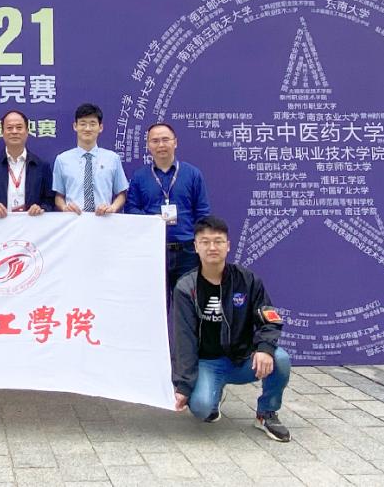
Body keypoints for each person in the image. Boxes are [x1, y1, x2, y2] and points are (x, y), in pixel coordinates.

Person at [171, 216, 292, 442]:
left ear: (228, 246)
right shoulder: (186, 287)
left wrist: (264, 349)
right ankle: (213, 394)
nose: (212, 247)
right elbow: (183, 340)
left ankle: (266, 413)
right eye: (205, 242)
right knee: (201, 408)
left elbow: (270, 319)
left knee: (281, 359)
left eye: (218, 241)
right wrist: (183, 386)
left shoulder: (247, 280)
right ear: (196, 247)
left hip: (242, 359)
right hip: (207, 363)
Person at [125, 122, 211, 303]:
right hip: (153, 250)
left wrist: (199, 245)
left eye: (165, 139)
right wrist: (151, 221)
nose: (161, 145)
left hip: (187, 252)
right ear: (148, 145)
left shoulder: (192, 174)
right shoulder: (139, 177)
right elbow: (131, 209)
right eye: (155, 141)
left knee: (189, 305)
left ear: (175, 142)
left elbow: (202, 212)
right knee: (155, 305)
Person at [0, 110, 55, 217]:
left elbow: (50, 199)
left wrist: (41, 208)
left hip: (31, 223)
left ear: (27, 132)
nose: (14, 131)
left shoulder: (41, 166)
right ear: (2, 132)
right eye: (9, 128)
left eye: (19, 127)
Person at [52, 103, 128, 215]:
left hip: (103, 219)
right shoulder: (62, 159)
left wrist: (113, 208)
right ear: (75, 126)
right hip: (74, 220)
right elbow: (59, 195)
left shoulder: (112, 158)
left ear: (100, 127)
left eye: (92, 124)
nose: (87, 129)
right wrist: (64, 207)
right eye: (83, 124)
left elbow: (122, 194)